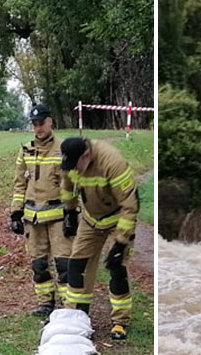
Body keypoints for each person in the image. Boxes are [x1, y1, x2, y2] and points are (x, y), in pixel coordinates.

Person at [58, 135, 138, 340]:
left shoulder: (113, 162)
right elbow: (67, 188)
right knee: (77, 266)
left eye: (76, 166)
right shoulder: (72, 164)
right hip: (90, 218)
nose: (73, 170)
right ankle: (76, 315)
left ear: (86, 155)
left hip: (117, 218)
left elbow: (130, 206)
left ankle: (120, 321)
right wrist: (69, 213)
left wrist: (120, 243)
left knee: (116, 268)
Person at [9, 105, 67, 316]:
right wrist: (16, 213)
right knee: (38, 264)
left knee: (64, 265)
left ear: (50, 122)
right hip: (32, 218)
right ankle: (45, 303)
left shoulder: (63, 149)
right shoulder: (25, 150)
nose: (38, 128)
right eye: (34, 124)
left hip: (58, 216)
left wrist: (73, 213)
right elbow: (19, 185)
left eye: (41, 123)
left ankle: (69, 305)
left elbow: (71, 185)